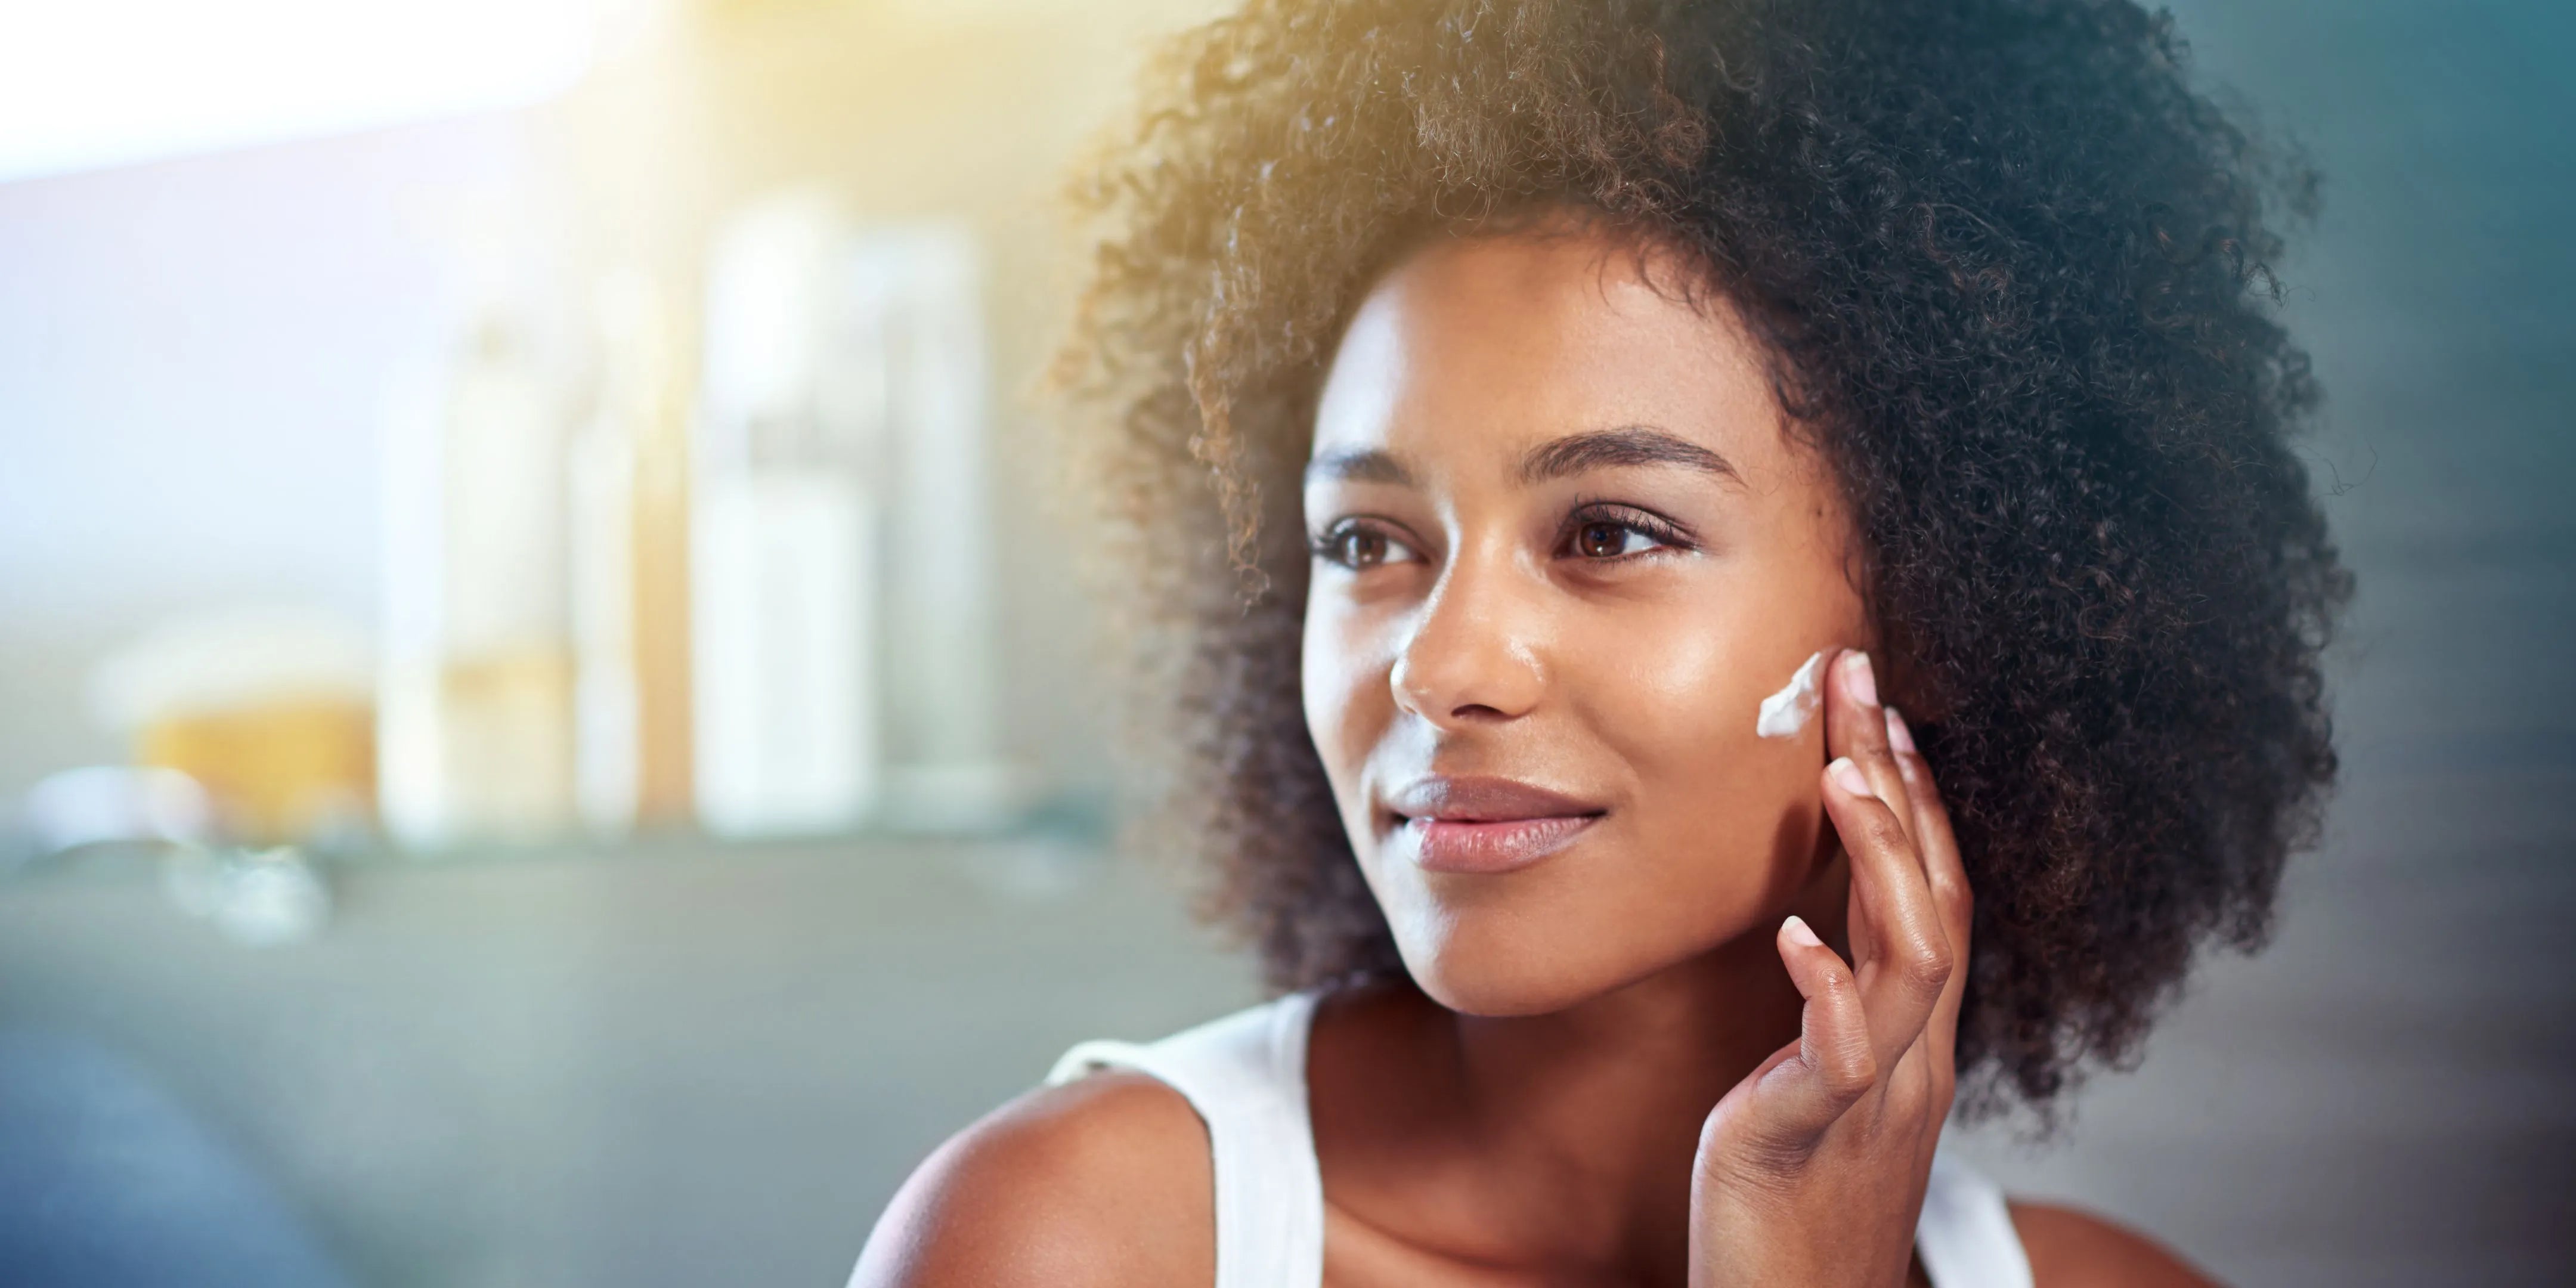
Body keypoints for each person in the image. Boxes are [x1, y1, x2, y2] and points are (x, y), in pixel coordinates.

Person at [853, 0, 2343, 1283]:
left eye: (1610, 533)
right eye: (1369, 545)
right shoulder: (1076, 1248)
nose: (1443, 667)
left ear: (1943, 609)